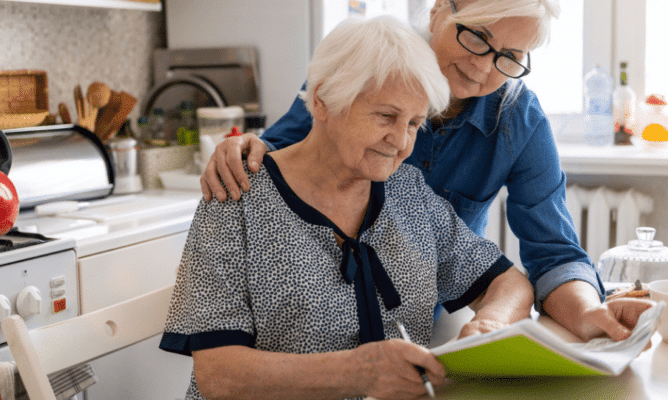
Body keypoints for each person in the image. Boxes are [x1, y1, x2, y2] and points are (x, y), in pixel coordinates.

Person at [199, 0, 655, 342]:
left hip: (421, 322)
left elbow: (553, 255)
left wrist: (589, 312)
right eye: (476, 36)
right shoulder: (365, 67)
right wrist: (240, 147)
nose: (481, 66)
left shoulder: (518, 121)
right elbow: (284, 154)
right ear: (439, 9)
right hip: (310, 322)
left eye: (509, 56)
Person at [161, 15, 535, 400]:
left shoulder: (409, 194)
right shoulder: (236, 196)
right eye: (386, 116)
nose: (401, 143)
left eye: (414, 123)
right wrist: (359, 372)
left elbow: (509, 283)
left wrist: (490, 324)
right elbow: (218, 375)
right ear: (323, 100)